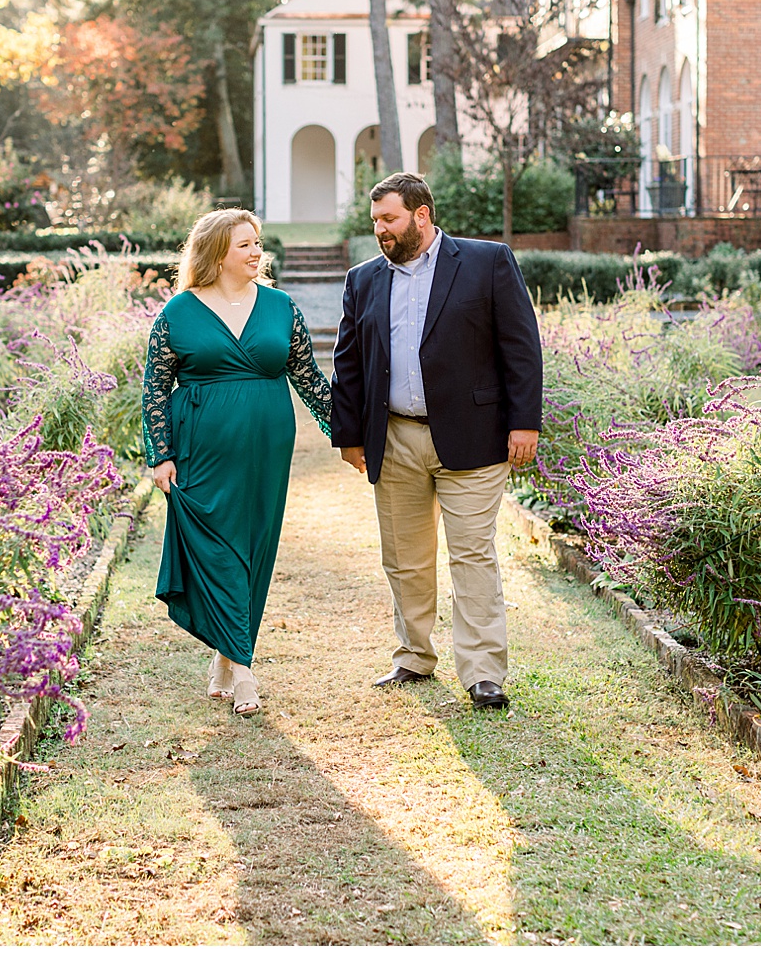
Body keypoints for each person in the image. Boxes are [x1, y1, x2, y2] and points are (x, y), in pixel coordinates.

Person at [330, 172, 543, 710]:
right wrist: (349, 435)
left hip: (474, 437)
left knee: (472, 556)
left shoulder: (486, 262)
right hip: (395, 438)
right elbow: (349, 363)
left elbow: (521, 346)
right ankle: (413, 657)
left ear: (421, 215)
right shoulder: (363, 279)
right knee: (405, 558)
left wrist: (525, 422)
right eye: (375, 219)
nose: (380, 229)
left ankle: (483, 674)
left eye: (389, 219)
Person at [142, 208, 333, 716]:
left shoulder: (280, 306)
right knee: (219, 549)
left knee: (254, 546)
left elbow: (309, 378)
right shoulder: (177, 313)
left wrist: (350, 433)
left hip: (269, 443)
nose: (256, 252)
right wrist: (159, 454)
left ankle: (228, 657)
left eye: (257, 242)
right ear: (216, 252)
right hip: (202, 447)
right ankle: (244, 669)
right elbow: (155, 389)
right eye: (245, 244)